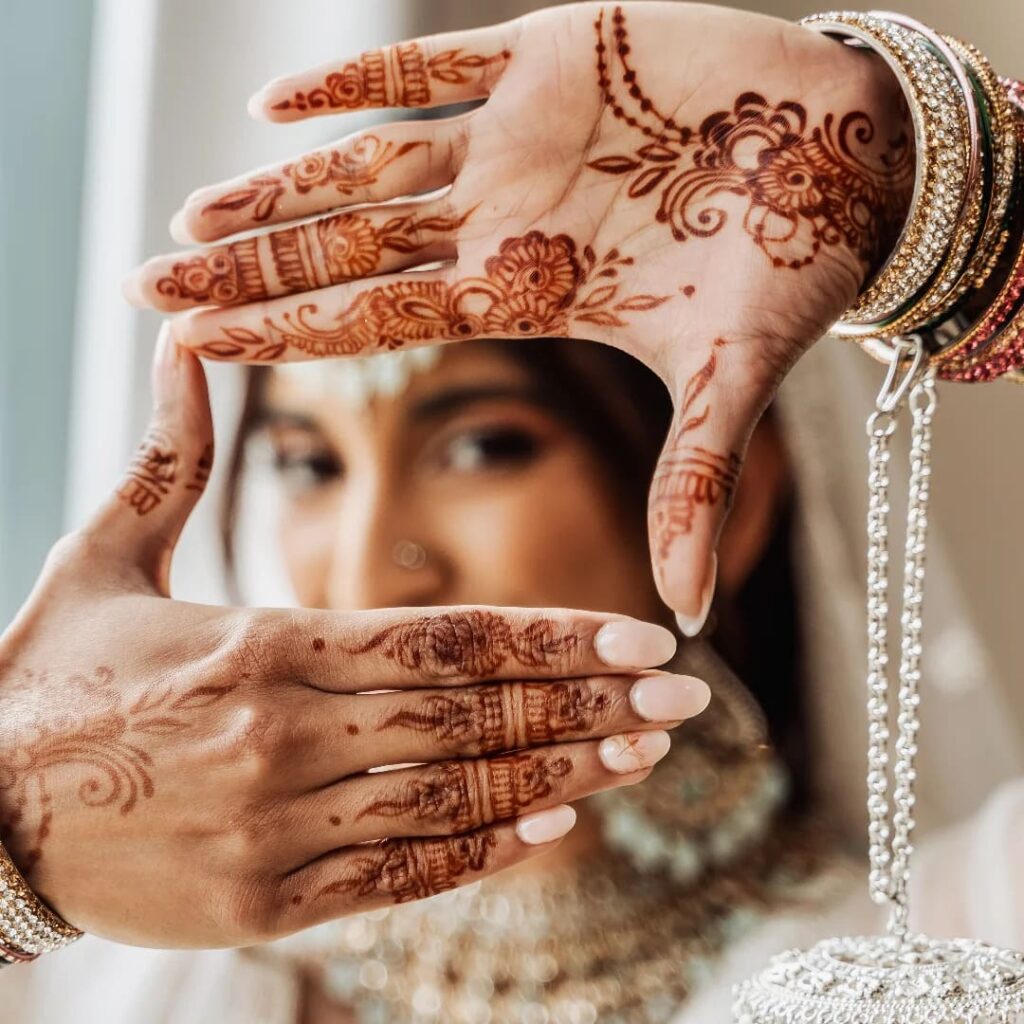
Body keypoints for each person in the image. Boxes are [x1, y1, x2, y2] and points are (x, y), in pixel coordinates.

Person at [4, 2, 1024, 1021]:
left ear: (731, 498)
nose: (373, 572)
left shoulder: (946, 951)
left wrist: (911, 165)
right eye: (309, 464)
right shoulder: (119, 962)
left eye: (480, 447)